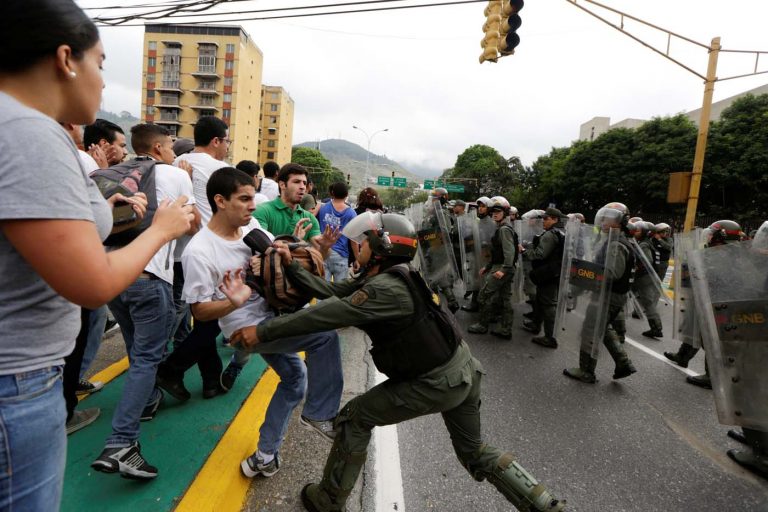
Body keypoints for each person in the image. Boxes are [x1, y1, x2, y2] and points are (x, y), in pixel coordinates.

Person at [220, 211, 566, 512]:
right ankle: (545, 505)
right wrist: (292, 264)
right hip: (464, 372)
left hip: (434, 383)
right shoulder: (397, 275)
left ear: (382, 248)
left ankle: (327, 500)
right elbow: (331, 292)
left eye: (364, 241)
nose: (358, 246)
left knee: (354, 419)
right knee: (474, 453)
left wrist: (261, 331)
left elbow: (323, 315)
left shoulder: (384, 290)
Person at [0, 0, 193, 506]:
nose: (104, 83)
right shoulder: (29, 132)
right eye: (101, 64)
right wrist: (161, 230)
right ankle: (123, 442)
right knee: (147, 357)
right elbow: (90, 282)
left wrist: (105, 206)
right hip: (17, 381)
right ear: (66, 59)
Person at [164, 167, 343, 478]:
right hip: (246, 329)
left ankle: (265, 455)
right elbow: (199, 312)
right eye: (244, 199)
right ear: (220, 201)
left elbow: (285, 259)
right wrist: (232, 302)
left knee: (295, 379)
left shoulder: (253, 229)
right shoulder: (200, 251)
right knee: (324, 336)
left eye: (253, 197)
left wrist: (301, 250)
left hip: (274, 315)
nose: (252, 205)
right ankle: (320, 414)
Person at [92, 123, 199, 480]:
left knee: (136, 349)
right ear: (157, 148)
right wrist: (185, 182)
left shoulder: (110, 173)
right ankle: (121, 442)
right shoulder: (175, 174)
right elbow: (192, 226)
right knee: (147, 358)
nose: (173, 152)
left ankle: (148, 400)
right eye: (170, 146)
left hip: (113, 275)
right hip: (150, 276)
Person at [664, 220, 745, 388]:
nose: (708, 237)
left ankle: (712, 376)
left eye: (712, 234)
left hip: (721, 303)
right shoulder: (726, 252)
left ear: (721, 236)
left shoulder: (726, 255)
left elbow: (717, 278)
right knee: (696, 327)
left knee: (712, 338)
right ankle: (683, 356)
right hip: (712, 300)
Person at [563, 202, 637, 384]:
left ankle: (586, 371)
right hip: (612, 296)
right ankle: (623, 363)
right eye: (603, 218)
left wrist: (585, 275)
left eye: (608, 218)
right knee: (603, 327)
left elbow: (611, 273)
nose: (603, 221)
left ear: (620, 221)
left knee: (591, 331)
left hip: (608, 296)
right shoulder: (615, 240)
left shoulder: (616, 244)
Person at [467, 197, 519, 339]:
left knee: (483, 296)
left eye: (498, 212)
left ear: (505, 213)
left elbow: (509, 252)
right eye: (493, 212)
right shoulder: (501, 228)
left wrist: (503, 270)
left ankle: (482, 325)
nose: (495, 214)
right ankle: (506, 330)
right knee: (505, 299)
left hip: (502, 268)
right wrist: (488, 266)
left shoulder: (504, 230)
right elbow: (497, 253)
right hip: (502, 267)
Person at [522, 207, 567, 348]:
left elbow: (539, 254)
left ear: (555, 219)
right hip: (552, 272)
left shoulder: (550, 234)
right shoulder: (561, 232)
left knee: (548, 304)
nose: (543, 221)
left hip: (548, 273)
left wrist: (524, 251)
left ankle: (550, 337)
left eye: (546, 219)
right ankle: (536, 324)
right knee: (541, 300)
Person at [317, 181, 358, 282]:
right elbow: (353, 240)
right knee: (339, 289)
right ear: (347, 195)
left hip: (323, 252)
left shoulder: (322, 208)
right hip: (341, 255)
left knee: (322, 288)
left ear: (332, 193)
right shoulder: (351, 213)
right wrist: (357, 259)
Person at [630, 221, 665, 339]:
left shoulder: (644, 245)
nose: (635, 232)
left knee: (648, 303)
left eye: (638, 231)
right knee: (642, 300)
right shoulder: (646, 242)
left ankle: (656, 328)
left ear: (645, 233)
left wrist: (635, 267)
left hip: (643, 277)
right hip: (645, 277)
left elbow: (647, 261)